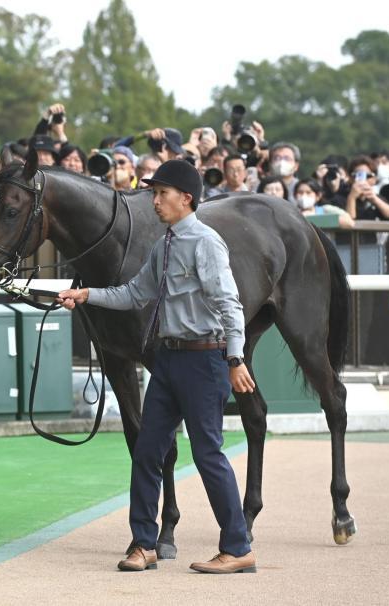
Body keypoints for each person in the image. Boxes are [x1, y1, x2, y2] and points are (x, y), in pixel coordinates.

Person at [57, 159, 257, 574]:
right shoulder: (163, 244)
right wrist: (87, 295)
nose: (154, 200)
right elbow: (134, 293)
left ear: (186, 198)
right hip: (167, 359)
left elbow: (229, 305)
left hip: (205, 359)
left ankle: (237, 547)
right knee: (148, 451)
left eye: (162, 193)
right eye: (153, 192)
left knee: (208, 454)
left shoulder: (206, 243)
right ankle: (144, 544)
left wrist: (235, 358)